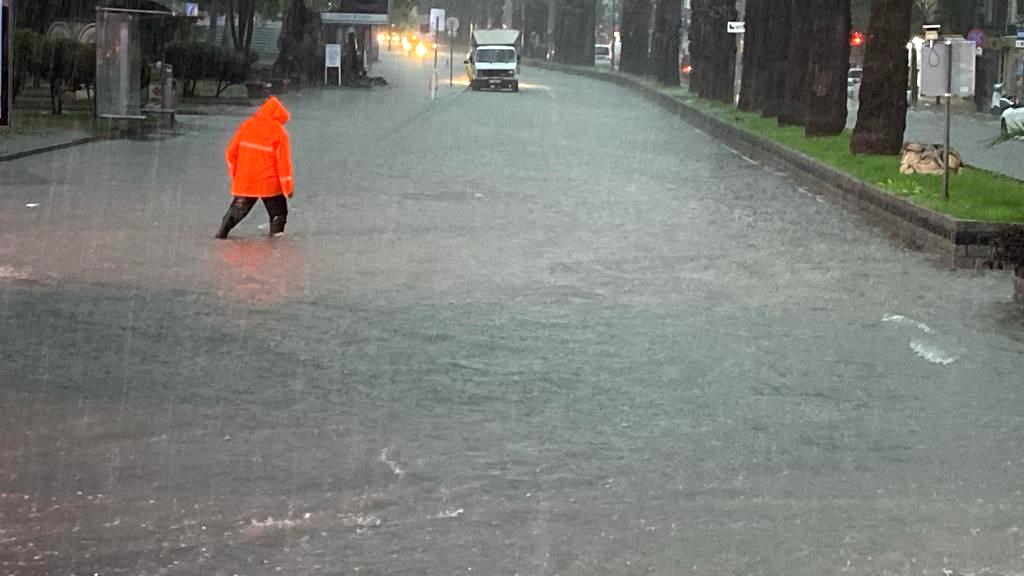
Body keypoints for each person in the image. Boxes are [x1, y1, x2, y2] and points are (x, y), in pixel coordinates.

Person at [216, 96, 294, 239]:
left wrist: (236, 174)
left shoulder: (247, 125)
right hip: (269, 184)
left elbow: (230, 153)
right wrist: (288, 188)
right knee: (278, 214)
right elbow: (283, 164)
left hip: (246, 180)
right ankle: (276, 244)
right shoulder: (280, 132)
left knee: (237, 211)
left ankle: (221, 236)